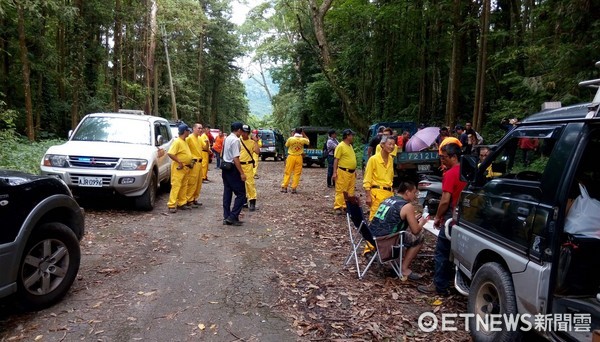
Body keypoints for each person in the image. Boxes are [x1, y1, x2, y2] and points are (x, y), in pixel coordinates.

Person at [418, 143, 466, 296]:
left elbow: (445, 200)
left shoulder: (451, 174)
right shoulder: (468, 172)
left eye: (444, 157)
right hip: (466, 215)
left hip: (452, 215)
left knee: (442, 251)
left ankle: (439, 285)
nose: (442, 161)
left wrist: (438, 217)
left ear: (453, 157)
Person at [369, 181, 429, 280]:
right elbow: (415, 231)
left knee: (406, 234)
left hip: (372, 237)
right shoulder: (407, 206)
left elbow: (392, 219)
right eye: (414, 193)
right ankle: (403, 269)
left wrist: (413, 219)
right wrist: (422, 222)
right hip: (386, 240)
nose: (415, 196)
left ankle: (395, 262)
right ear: (407, 192)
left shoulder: (389, 199)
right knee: (419, 237)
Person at [363, 136, 396, 221]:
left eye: (393, 144)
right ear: (382, 145)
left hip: (389, 194)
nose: (392, 147)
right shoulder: (373, 159)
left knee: (387, 218)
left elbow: (391, 177)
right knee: (375, 218)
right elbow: (367, 178)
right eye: (389, 144)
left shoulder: (390, 159)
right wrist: (368, 196)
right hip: (377, 193)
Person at [222, 122, 247, 226]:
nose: (242, 132)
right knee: (241, 193)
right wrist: (241, 173)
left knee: (227, 192)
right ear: (238, 130)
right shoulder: (236, 140)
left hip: (225, 167)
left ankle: (227, 216)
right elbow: (235, 158)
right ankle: (233, 216)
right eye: (241, 130)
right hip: (232, 168)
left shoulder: (227, 138)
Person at [167, 124, 193, 213]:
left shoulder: (184, 141)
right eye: (188, 131)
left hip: (185, 168)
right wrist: (179, 162)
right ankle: (171, 204)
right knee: (176, 185)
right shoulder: (177, 142)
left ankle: (182, 203)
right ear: (185, 131)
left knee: (184, 185)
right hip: (179, 167)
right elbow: (170, 153)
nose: (189, 132)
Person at [332, 129, 357, 215]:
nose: (352, 137)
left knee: (350, 190)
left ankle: (347, 206)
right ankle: (338, 207)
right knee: (341, 189)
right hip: (343, 171)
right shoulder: (340, 146)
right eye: (351, 135)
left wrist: (354, 170)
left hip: (351, 172)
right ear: (347, 136)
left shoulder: (350, 146)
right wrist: (334, 172)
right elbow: (336, 159)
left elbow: (351, 159)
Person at [281, 127, 310, 193]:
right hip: (299, 157)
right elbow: (308, 141)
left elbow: (287, 145)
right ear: (301, 132)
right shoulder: (303, 139)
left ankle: (284, 187)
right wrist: (304, 134)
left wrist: (292, 135)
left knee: (288, 172)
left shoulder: (291, 139)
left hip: (291, 156)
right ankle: (294, 188)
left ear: (294, 132)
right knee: (297, 173)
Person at [240, 125, 261, 211]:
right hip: (239, 165)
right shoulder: (238, 141)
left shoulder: (251, 142)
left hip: (248, 165)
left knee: (250, 184)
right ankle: (243, 201)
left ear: (248, 133)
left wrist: (256, 141)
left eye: (246, 132)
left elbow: (257, 151)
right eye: (243, 132)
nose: (244, 134)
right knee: (240, 185)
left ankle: (252, 202)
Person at [185, 123, 204, 208]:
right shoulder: (189, 138)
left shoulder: (200, 139)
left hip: (200, 162)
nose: (200, 130)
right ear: (194, 128)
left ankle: (195, 198)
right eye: (199, 128)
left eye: (201, 128)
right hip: (193, 162)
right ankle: (189, 199)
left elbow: (205, 148)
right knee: (192, 181)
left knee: (198, 182)